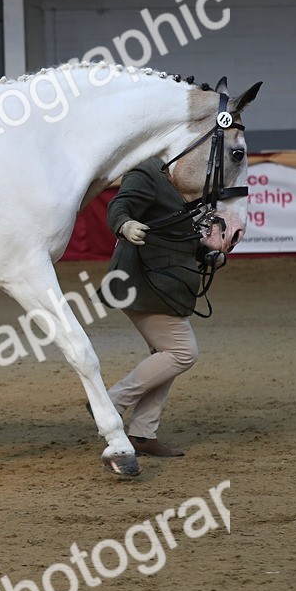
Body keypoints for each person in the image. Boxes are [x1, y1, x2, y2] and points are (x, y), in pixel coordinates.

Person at [99, 156, 212, 458]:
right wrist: (125, 224)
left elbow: (174, 233)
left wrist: (205, 253)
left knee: (165, 358)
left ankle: (143, 433)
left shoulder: (171, 178)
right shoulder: (145, 171)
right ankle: (109, 402)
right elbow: (118, 206)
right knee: (182, 352)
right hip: (143, 282)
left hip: (160, 283)